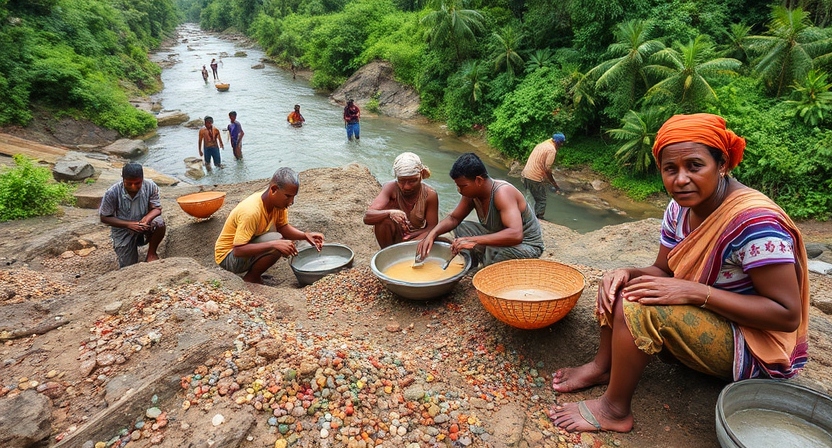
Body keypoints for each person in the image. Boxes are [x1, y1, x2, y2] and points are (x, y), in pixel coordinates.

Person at [549, 113, 809, 433]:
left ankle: (614, 410)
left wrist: (696, 292)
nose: (680, 179)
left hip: (756, 345)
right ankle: (604, 367)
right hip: (712, 312)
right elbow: (663, 269)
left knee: (641, 306)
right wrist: (624, 272)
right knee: (622, 286)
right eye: (670, 169)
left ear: (722, 164)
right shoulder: (680, 208)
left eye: (695, 166)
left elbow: (786, 315)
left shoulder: (755, 222)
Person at [416, 153, 544, 267]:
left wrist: (473, 240)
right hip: (498, 234)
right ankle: (472, 263)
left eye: (462, 186)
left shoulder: (502, 193)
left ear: (478, 180)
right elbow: (454, 218)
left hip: (526, 245)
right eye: (457, 185)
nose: (459, 190)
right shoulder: (471, 194)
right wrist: (431, 234)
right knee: (461, 229)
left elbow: (515, 235)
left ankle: (485, 269)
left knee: (495, 251)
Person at [215, 167, 325, 284]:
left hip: (244, 247)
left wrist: (305, 236)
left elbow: (282, 227)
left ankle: (255, 271)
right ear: (273, 190)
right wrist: (273, 244)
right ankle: (252, 278)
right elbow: (238, 250)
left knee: (277, 238)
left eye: (293, 196)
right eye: (288, 196)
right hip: (228, 258)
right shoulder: (251, 211)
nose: (291, 202)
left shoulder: (278, 204)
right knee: (276, 241)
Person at [364, 152, 439, 249]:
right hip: (393, 235)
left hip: (416, 235)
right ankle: (388, 253)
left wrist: (411, 239)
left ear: (421, 175)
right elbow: (367, 217)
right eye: (401, 181)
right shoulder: (390, 188)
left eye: (413, 181)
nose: (407, 187)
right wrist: (390, 213)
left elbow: (432, 227)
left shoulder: (430, 194)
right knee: (384, 221)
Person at [98, 163, 166, 268]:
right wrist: (129, 224)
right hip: (123, 230)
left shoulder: (150, 186)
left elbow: (156, 209)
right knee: (128, 266)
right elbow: (104, 217)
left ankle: (151, 254)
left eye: (137, 183)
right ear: (123, 180)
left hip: (144, 224)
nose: (133, 187)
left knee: (159, 223)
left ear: (142, 179)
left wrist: (146, 219)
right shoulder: (112, 192)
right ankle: (129, 248)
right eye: (129, 183)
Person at [521, 132, 565, 219]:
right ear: (558, 143)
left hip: (525, 175)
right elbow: (547, 169)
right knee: (541, 200)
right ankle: (538, 219)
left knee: (529, 197)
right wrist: (555, 184)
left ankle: (525, 216)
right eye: (561, 143)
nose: (562, 145)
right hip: (534, 177)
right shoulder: (551, 150)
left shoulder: (542, 144)